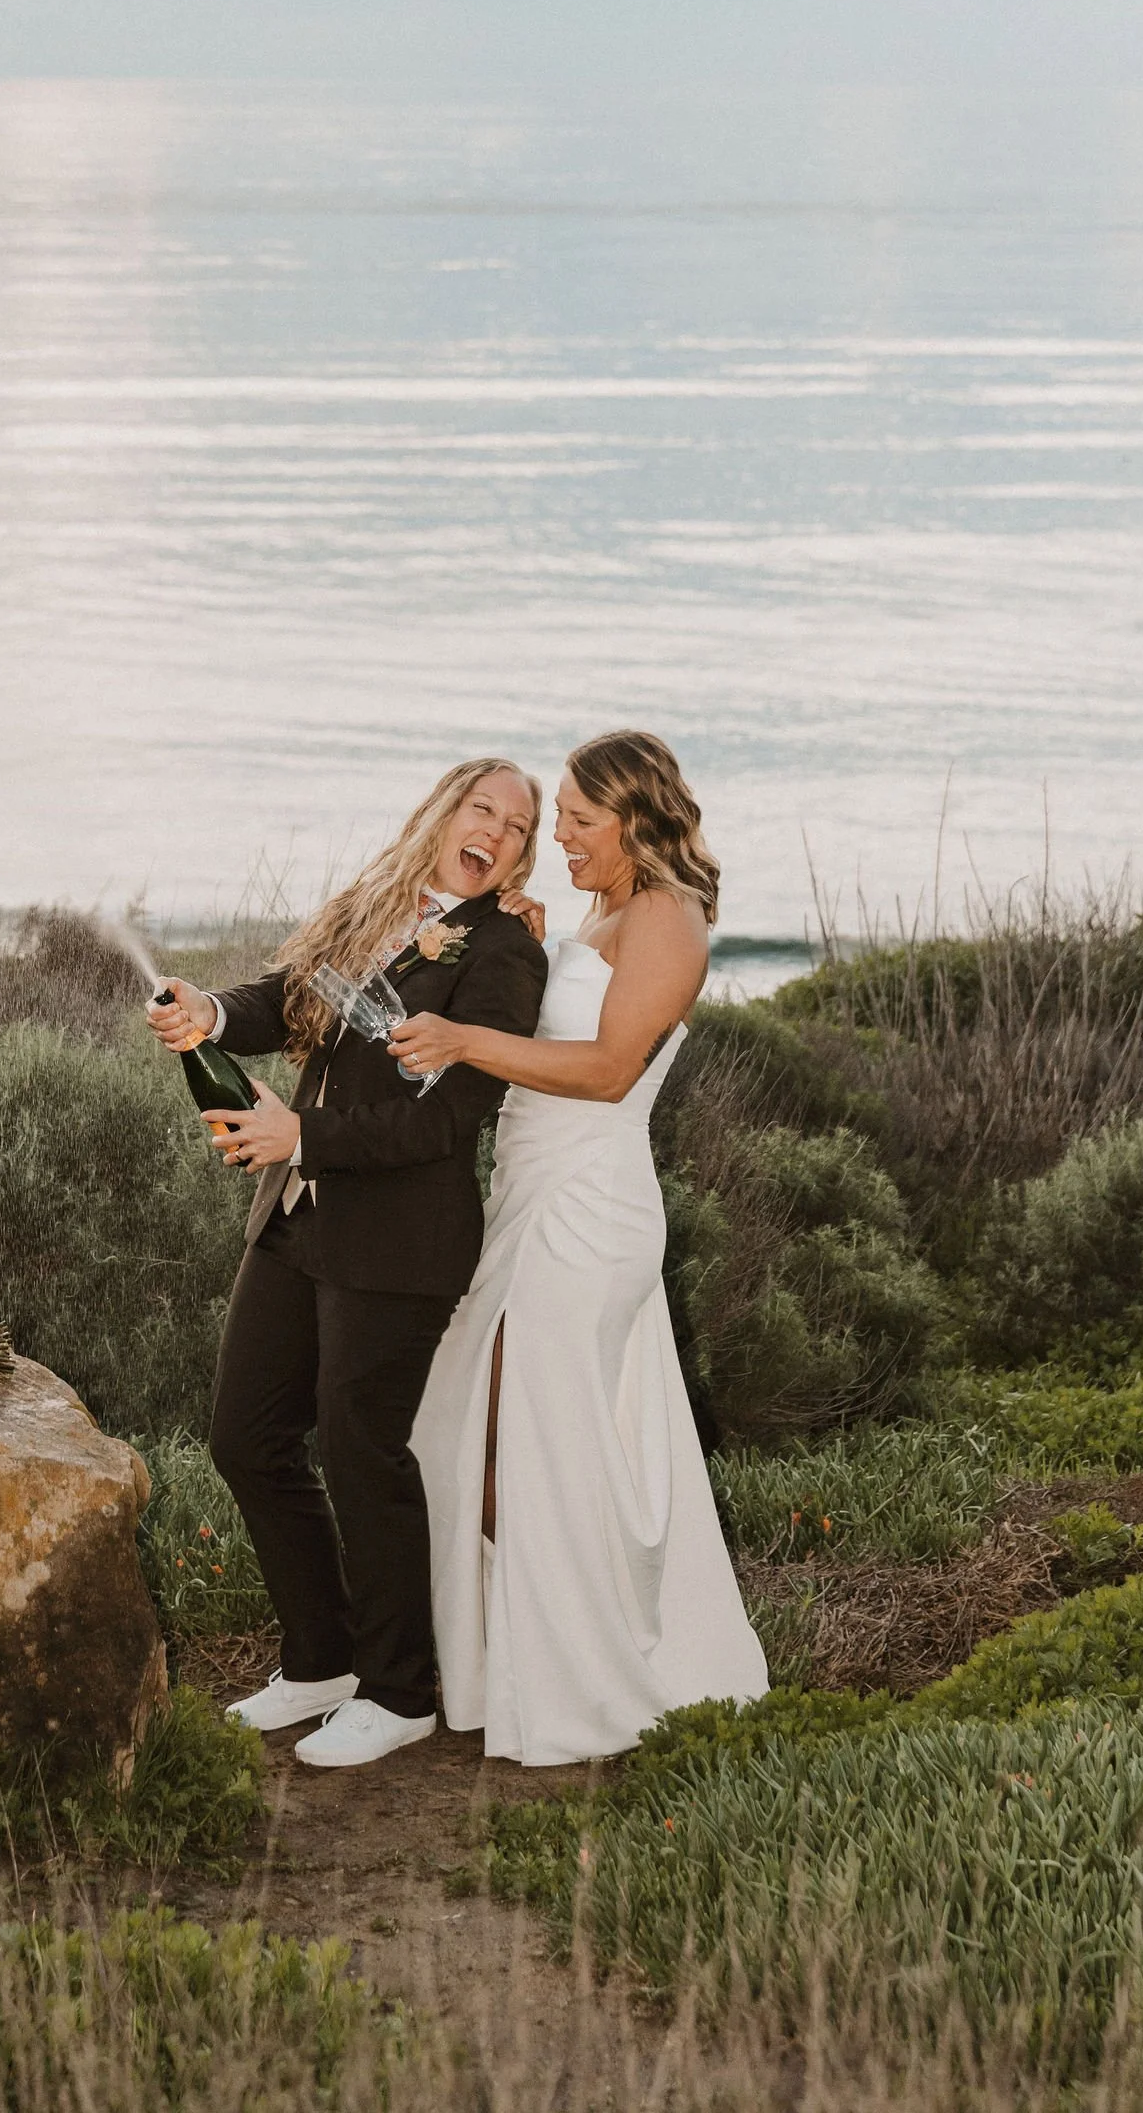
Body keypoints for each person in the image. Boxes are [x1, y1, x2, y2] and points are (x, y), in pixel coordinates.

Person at [147, 759, 549, 1768]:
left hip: (402, 1239)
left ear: (521, 851)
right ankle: (319, 1660)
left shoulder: (502, 953)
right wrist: (208, 1011)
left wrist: (304, 1137)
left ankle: (399, 1689)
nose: (495, 830)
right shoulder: (373, 900)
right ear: (443, 810)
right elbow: (287, 1002)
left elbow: (453, 1121)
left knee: (362, 1452)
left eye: (518, 823)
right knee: (245, 1437)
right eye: (481, 807)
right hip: (298, 1219)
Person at [392, 730, 767, 1766]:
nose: (551, 834)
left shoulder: (669, 917)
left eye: (574, 819)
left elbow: (606, 1070)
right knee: (463, 1431)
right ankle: (517, 1663)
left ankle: (580, 1685)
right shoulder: (607, 911)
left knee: (538, 1451)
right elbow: (571, 1012)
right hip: (528, 1196)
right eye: (551, 816)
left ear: (635, 821)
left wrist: (464, 1040)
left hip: (587, 1210)